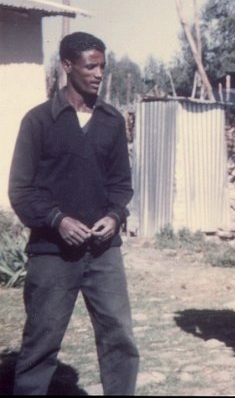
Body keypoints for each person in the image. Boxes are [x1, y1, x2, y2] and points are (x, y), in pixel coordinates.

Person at [9, 32, 139, 395]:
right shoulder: (39, 121)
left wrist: (114, 216)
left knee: (120, 338)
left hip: (103, 253)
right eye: (90, 66)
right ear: (67, 65)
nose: (99, 74)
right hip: (52, 253)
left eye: (102, 66)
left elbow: (121, 185)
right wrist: (57, 220)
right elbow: (20, 189)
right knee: (41, 343)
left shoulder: (112, 121)